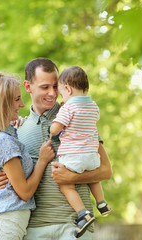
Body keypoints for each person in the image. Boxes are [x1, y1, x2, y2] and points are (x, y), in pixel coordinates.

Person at [0, 58, 113, 240]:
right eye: (44, 87)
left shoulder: (79, 118)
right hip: (34, 228)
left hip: (75, 225)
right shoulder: (17, 130)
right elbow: (11, 176)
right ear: (28, 87)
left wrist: (74, 177)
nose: (52, 93)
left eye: (55, 86)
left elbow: (106, 171)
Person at [0, 72, 55, 240]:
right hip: (3, 227)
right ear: (2, 103)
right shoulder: (4, 142)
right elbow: (24, 192)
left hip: (0, 224)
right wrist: (42, 161)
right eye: (17, 99)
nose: (22, 104)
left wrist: (16, 125)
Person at [49, 66, 112, 238]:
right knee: (93, 178)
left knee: (66, 185)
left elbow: (55, 130)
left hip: (73, 157)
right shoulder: (94, 106)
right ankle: (102, 203)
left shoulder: (67, 108)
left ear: (68, 89)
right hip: (92, 155)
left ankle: (83, 214)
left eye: (62, 94)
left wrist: (56, 122)